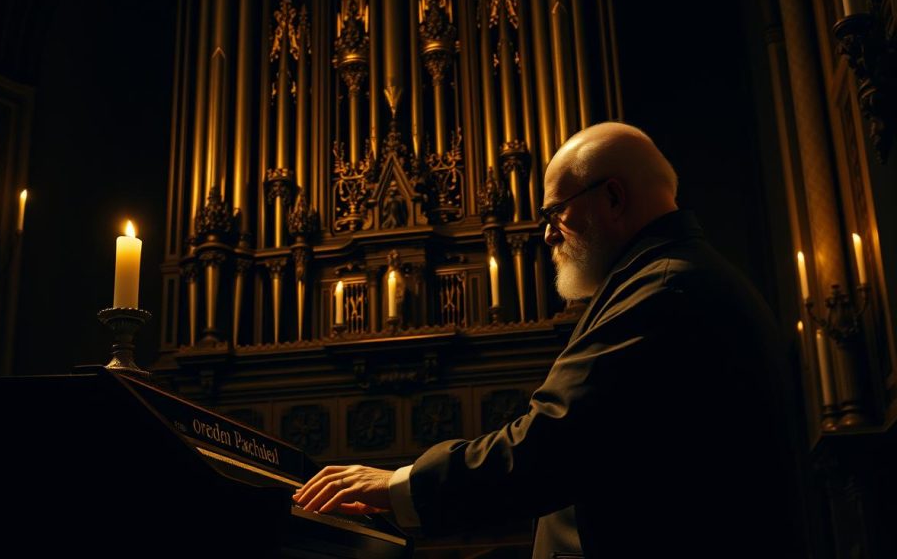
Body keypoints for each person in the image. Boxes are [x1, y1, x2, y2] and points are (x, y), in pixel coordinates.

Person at [294, 122, 800, 558]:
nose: (547, 235)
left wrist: (397, 485)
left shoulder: (664, 289)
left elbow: (554, 443)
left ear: (614, 197)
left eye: (555, 212)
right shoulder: (672, 276)